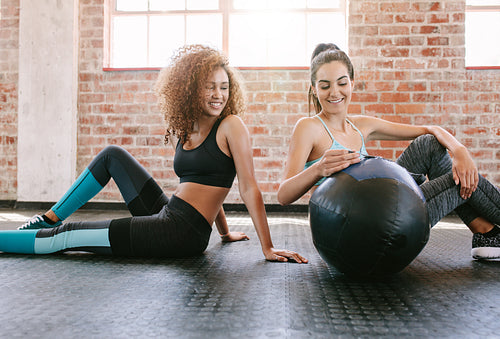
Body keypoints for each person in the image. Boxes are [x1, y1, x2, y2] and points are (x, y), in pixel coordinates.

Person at [3, 45, 307, 263]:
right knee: (112, 155)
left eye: (224, 87)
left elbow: (247, 186)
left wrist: (267, 247)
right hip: (169, 215)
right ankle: (46, 219)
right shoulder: (188, 125)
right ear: (189, 89)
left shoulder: (231, 126)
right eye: (210, 87)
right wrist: (225, 233)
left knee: (68, 236)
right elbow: (211, 180)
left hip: (180, 233)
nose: (218, 95)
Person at [277, 43, 500, 260]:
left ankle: (486, 233)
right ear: (314, 90)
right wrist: (318, 169)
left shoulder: (361, 125)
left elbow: (430, 130)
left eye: (341, 83)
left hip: (386, 210)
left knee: (428, 145)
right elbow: (283, 195)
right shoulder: (308, 127)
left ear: (352, 83)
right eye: (325, 86)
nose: (334, 92)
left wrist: (460, 151)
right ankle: (487, 232)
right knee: (459, 178)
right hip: (364, 228)